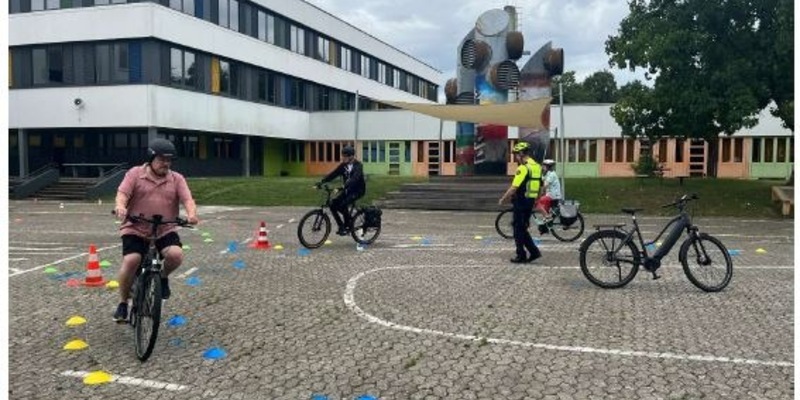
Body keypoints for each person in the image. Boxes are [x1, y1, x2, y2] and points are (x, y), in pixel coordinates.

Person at [112, 138, 199, 323]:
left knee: (175, 255)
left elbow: (188, 199)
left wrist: (191, 214)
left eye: (169, 160)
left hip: (164, 228)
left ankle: (162, 277)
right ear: (151, 158)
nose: (166, 164)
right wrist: (121, 206)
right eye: (161, 160)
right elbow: (122, 194)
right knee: (131, 260)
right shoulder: (135, 174)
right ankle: (122, 303)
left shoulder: (176, 178)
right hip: (136, 227)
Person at [498, 142, 542, 263]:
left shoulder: (523, 168)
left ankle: (521, 255)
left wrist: (503, 199)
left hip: (521, 201)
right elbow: (540, 185)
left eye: (517, 155)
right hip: (530, 201)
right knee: (522, 227)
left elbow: (514, 187)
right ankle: (534, 252)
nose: (516, 157)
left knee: (518, 229)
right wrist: (537, 199)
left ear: (522, 153)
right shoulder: (537, 167)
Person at [317, 144, 365, 236]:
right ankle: (342, 226)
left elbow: (355, 178)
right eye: (342, 155)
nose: (343, 158)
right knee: (332, 205)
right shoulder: (343, 166)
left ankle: (348, 224)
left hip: (357, 191)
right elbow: (333, 174)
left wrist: (344, 185)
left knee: (342, 205)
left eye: (345, 156)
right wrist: (322, 181)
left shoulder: (358, 165)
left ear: (351, 156)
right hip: (347, 190)